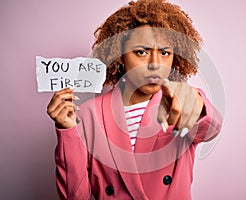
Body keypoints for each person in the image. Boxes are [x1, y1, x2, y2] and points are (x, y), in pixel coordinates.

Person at [47, 0, 222, 199]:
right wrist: (67, 132)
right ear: (120, 55)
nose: (155, 64)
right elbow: (75, 196)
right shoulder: (88, 113)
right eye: (141, 52)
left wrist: (196, 104)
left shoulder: (180, 100)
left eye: (165, 53)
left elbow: (210, 130)